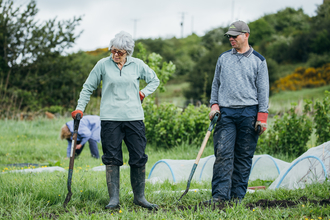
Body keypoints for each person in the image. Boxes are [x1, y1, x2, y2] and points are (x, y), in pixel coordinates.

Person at [71, 31, 160, 210]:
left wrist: (143, 93)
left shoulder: (137, 65)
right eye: (113, 51)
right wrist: (80, 107)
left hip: (134, 118)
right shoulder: (102, 65)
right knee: (111, 157)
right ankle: (114, 199)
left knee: (138, 156)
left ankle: (140, 197)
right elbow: (88, 87)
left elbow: (154, 80)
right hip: (110, 119)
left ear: (128, 52)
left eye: (120, 52)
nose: (115, 55)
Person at [208, 20, 269, 204]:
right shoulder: (223, 58)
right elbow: (215, 84)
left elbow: (263, 91)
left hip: (249, 114)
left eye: (235, 36)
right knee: (223, 154)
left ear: (246, 35)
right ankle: (219, 196)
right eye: (229, 36)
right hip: (226, 113)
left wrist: (262, 117)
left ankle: (237, 198)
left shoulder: (259, 61)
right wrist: (214, 105)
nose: (231, 39)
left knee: (243, 157)